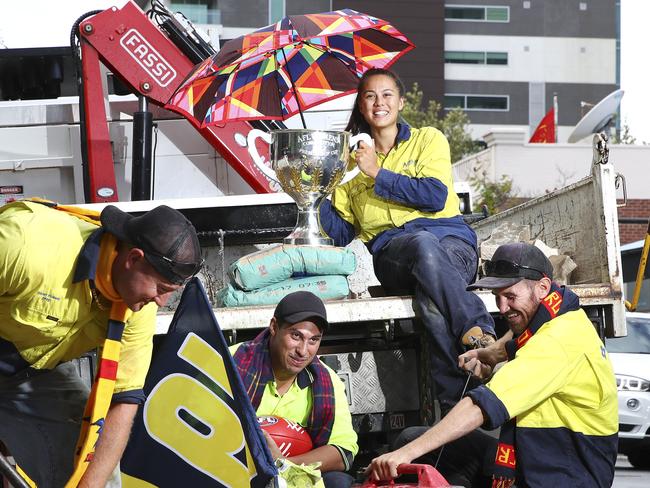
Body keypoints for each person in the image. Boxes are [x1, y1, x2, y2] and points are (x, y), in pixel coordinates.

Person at [367, 242, 618, 487]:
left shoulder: (556, 343)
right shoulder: (560, 311)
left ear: (542, 287)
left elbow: (481, 406)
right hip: (538, 459)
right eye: (497, 297)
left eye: (510, 296)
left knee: (415, 445)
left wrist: (404, 455)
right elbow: (518, 338)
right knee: (415, 437)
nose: (502, 307)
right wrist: (490, 353)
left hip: (562, 476)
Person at [320, 67, 496, 414]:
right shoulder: (349, 165)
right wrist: (319, 187)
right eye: (370, 95)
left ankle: (453, 405)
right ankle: (477, 333)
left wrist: (377, 172)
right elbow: (340, 234)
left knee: (430, 300)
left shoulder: (428, 139)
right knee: (421, 247)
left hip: (451, 241)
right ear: (361, 105)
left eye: (387, 94)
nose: (379, 102)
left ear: (400, 102)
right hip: (393, 254)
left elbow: (433, 195)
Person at [0, 200, 202, 487]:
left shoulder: (139, 307)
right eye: (161, 289)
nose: (161, 301)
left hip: (32, 375)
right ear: (133, 259)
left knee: (100, 475)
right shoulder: (26, 245)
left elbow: (123, 402)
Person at [230, 291, 358, 488]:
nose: (303, 350)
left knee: (339, 482)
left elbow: (343, 451)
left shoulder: (326, 381)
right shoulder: (231, 363)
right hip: (232, 469)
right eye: (296, 336)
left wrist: (281, 464)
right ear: (274, 327)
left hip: (293, 476)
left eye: (313, 340)